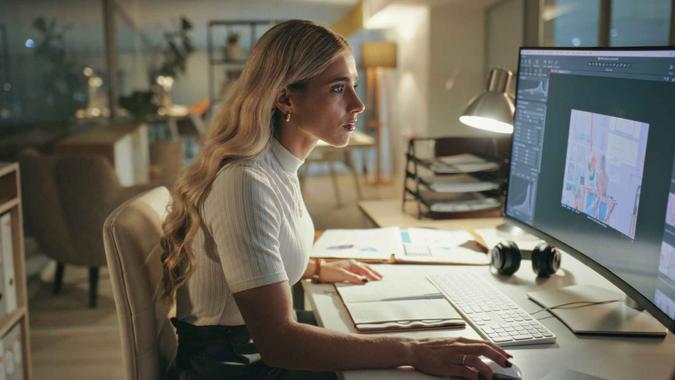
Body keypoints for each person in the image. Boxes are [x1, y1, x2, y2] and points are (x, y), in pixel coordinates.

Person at [160, 19, 512, 380]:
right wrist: (413, 351)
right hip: (235, 366)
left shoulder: (276, 166)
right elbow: (279, 342)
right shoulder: (245, 183)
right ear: (285, 98)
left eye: (354, 86)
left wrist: (311, 267)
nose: (358, 104)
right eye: (338, 89)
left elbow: (251, 257)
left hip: (248, 351)